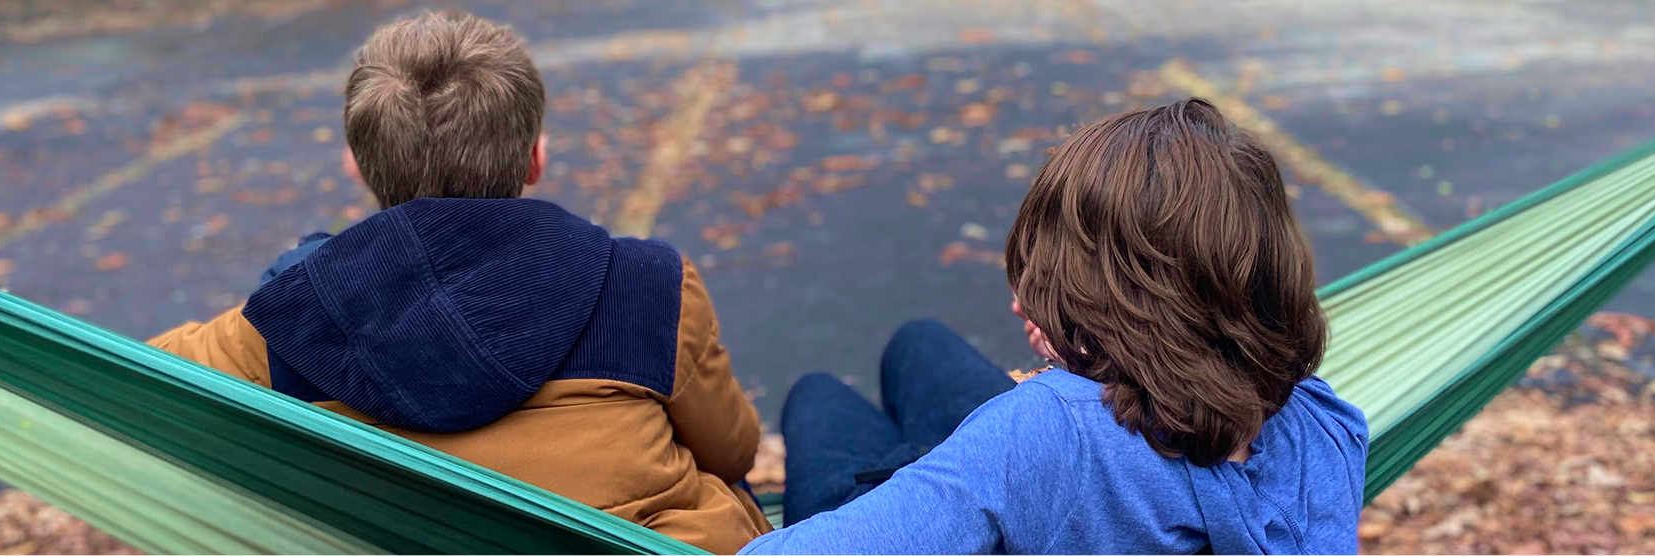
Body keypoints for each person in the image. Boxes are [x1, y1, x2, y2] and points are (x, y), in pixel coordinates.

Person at [144, 12, 771, 553]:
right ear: (535, 159)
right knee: (816, 409)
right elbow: (733, 451)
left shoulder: (298, 313)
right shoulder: (646, 286)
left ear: (358, 167)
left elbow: (143, 379)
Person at [744, 99, 1369, 554]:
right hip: (1057, 468)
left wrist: (1060, 390)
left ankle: (925, 469)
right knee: (920, 343)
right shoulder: (1329, 428)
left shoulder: (1044, 433)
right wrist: (1092, 358)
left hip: (987, 495)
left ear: (1111, 306)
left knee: (818, 396)